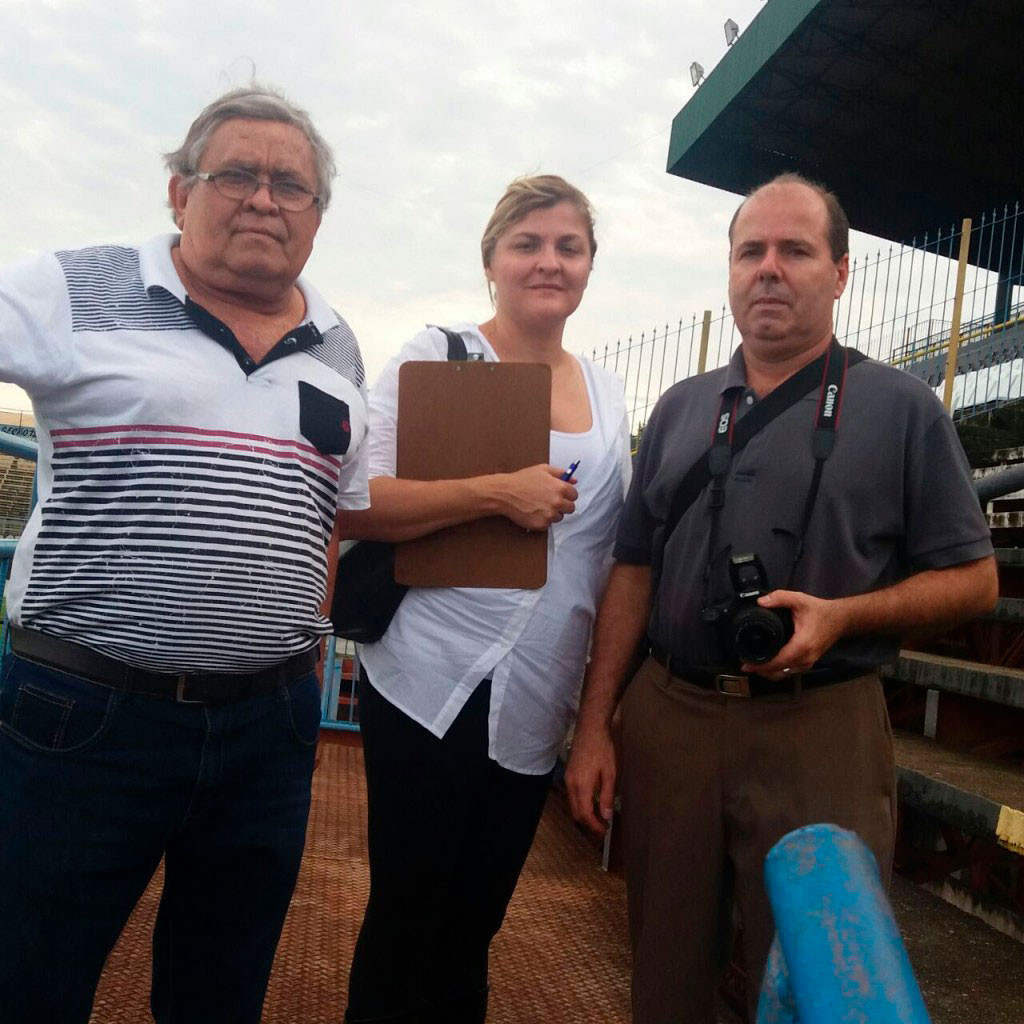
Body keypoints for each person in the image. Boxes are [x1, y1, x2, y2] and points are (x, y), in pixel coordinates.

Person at [565, 172, 998, 1023]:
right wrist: (594, 729)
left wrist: (846, 617)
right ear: (729, 271)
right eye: (750, 251)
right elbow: (633, 570)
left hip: (821, 723)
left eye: (795, 250)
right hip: (673, 717)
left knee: (807, 969)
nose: (769, 269)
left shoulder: (904, 409)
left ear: (839, 273)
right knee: (663, 969)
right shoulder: (683, 408)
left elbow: (975, 580)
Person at [0, 85, 369, 1024]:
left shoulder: (339, 348)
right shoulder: (71, 287)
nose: (263, 199)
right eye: (235, 173)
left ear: (317, 218)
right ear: (178, 192)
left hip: (270, 727)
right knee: (29, 981)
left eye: (292, 186)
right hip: (84, 715)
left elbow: (329, 511)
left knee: (220, 994)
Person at [337, 174, 631, 1024]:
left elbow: (610, 560)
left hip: (536, 695)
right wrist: (495, 494)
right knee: (405, 916)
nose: (549, 262)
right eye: (527, 244)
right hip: (431, 677)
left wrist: (596, 714)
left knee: (474, 926)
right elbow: (356, 500)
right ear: (492, 262)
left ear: (587, 266)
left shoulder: (608, 395)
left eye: (568, 247)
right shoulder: (440, 355)